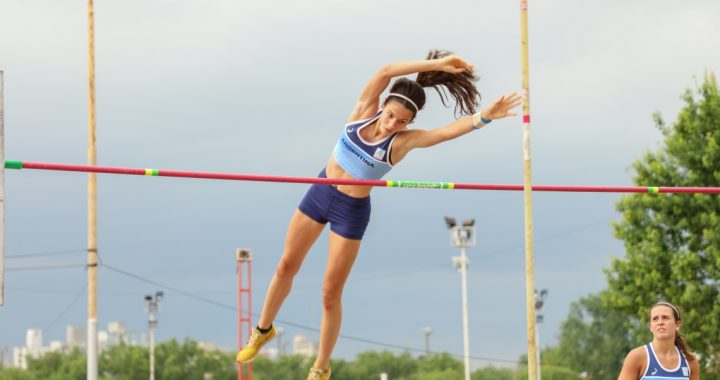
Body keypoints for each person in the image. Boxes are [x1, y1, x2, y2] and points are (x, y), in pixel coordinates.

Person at [236, 50, 521, 380]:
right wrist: (438, 65)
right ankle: (263, 330)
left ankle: (321, 366)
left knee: (330, 294)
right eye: (390, 117)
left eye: (402, 122)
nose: (392, 125)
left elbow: (444, 132)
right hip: (320, 191)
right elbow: (386, 70)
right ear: (382, 105)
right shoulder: (362, 111)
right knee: (286, 265)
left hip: (350, 211)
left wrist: (484, 116)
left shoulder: (400, 143)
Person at [618, 301, 700, 380]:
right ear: (650, 326)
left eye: (665, 318)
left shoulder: (690, 361)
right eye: (655, 319)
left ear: (677, 325)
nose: (660, 322)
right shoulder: (636, 357)